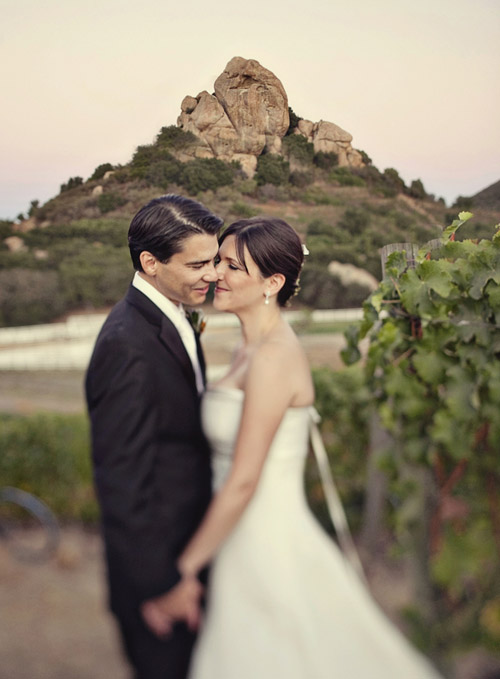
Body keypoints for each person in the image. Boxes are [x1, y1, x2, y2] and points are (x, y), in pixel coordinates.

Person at [170, 216, 444, 678]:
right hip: (234, 538)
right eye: (219, 261)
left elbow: (244, 480)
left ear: (272, 283)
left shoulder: (274, 356)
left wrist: (184, 568)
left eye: (233, 267)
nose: (216, 274)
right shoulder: (245, 350)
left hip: (264, 541)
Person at [85, 194, 222, 679]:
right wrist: (162, 585)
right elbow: (122, 480)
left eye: (216, 261)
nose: (213, 274)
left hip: (190, 556)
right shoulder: (127, 345)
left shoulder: (173, 316)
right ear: (151, 263)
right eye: (199, 264)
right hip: (159, 580)